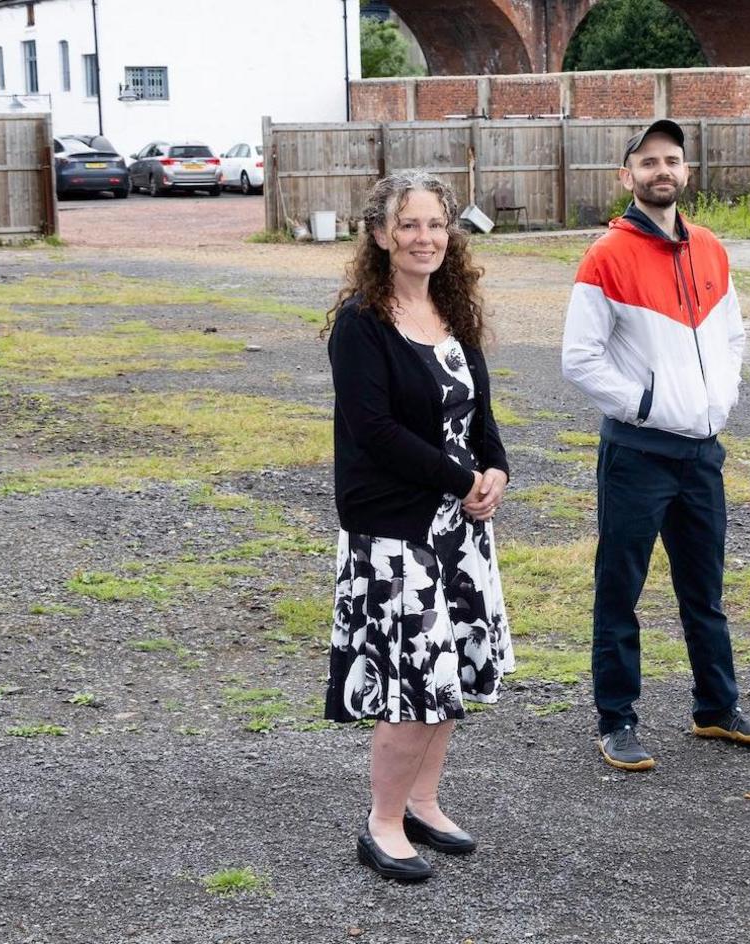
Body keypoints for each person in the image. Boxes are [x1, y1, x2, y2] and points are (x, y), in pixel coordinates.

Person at [561, 118, 750, 772]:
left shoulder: (710, 247)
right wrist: (647, 406)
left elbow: (733, 336)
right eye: (648, 161)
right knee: (619, 587)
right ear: (627, 177)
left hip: (701, 453)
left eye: (672, 160)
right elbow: (579, 358)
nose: (662, 170)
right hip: (638, 453)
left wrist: (721, 403)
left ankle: (715, 708)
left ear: (686, 172)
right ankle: (616, 719)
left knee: (703, 589)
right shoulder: (607, 256)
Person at [322, 172, 516, 882]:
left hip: (460, 529)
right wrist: (462, 479)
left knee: (448, 673)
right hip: (395, 532)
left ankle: (424, 803)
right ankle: (381, 823)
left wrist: (495, 469)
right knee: (410, 681)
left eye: (435, 224)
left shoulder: (452, 312)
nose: (424, 238)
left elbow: (479, 414)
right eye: (408, 225)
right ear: (379, 235)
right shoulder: (360, 325)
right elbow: (373, 432)